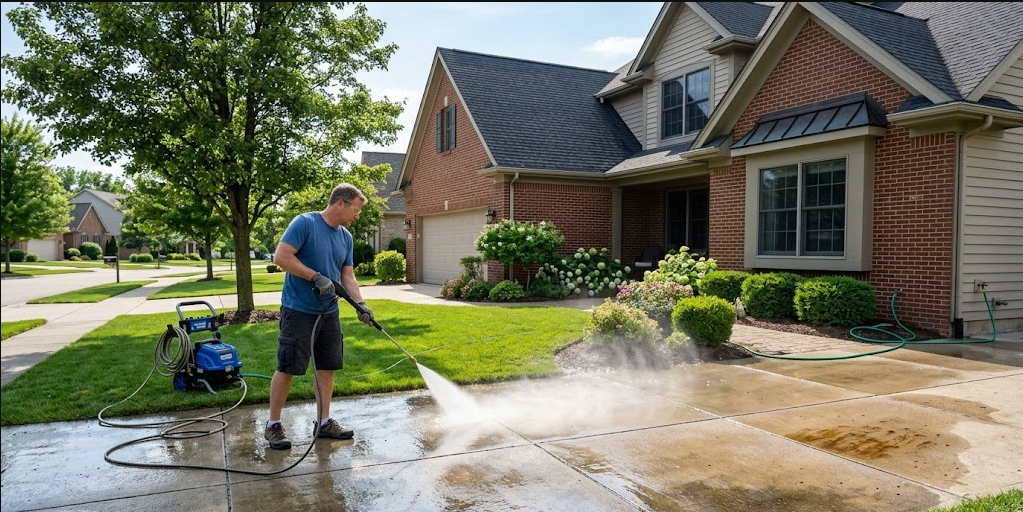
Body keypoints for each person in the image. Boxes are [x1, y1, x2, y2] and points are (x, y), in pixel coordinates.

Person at [264, 183, 376, 450]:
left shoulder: (345, 237)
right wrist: (314, 276)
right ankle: (273, 425)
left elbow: (347, 275)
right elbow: (282, 257)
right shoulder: (305, 223)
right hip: (299, 310)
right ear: (340, 203)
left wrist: (361, 305)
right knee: (288, 366)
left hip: (329, 312)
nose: (357, 216)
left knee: (327, 367)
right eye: (356, 210)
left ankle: (324, 421)